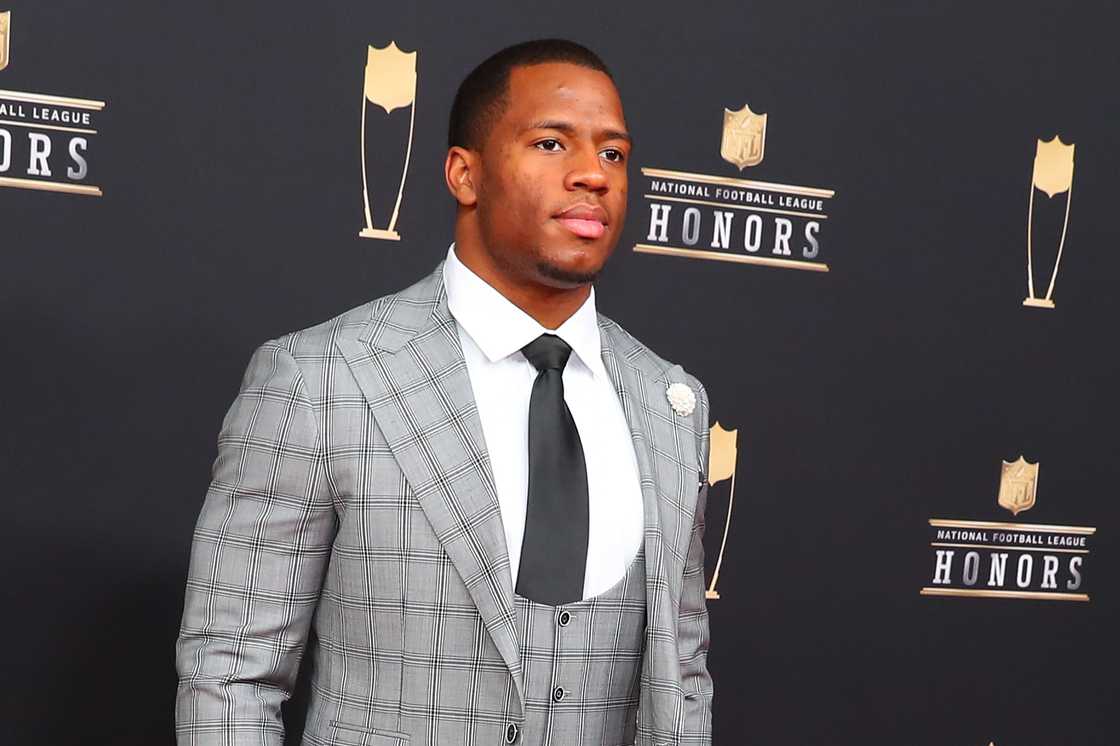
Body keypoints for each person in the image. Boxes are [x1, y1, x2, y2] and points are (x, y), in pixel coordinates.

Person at [175, 38, 713, 746]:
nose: (593, 174)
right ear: (465, 173)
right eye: (552, 144)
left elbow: (682, 679)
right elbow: (230, 676)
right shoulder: (322, 378)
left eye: (613, 154)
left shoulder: (668, 403)